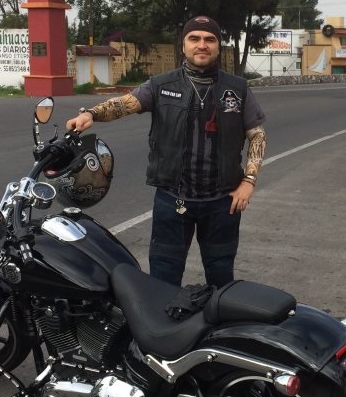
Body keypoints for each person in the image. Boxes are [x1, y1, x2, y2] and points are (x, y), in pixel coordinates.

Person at [66, 16, 267, 287]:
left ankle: (219, 329)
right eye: (194, 38)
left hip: (223, 203)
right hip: (173, 202)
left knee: (221, 279)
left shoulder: (238, 89)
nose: (202, 45)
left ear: (218, 46)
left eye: (209, 39)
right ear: (183, 45)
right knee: (163, 278)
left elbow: (257, 136)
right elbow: (125, 104)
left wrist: (249, 181)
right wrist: (91, 114)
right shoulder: (161, 86)